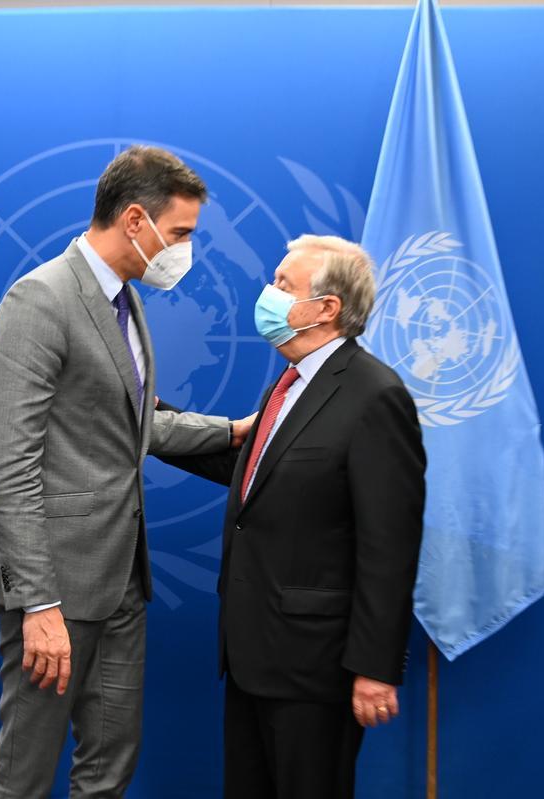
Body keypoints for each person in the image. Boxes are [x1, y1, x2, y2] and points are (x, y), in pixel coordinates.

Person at [0, 145, 253, 798]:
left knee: (110, 762)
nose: (185, 249)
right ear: (135, 220)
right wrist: (39, 603)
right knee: (25, 770)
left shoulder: (127, 302)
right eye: (180, 232)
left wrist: (234, 431)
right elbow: (9, 464)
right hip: (56, 586)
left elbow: (133, 424)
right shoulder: (39, 300)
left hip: (123, 576)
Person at [160, 234, 426, 798]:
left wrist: (375, 667)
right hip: (253, 654)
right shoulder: (291, 384)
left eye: (283, 285)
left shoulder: (374, 396)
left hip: (316, 667)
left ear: (327, 308)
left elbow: (390, 546)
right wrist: (143, 414)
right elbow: (251, 475)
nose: (269, 294)